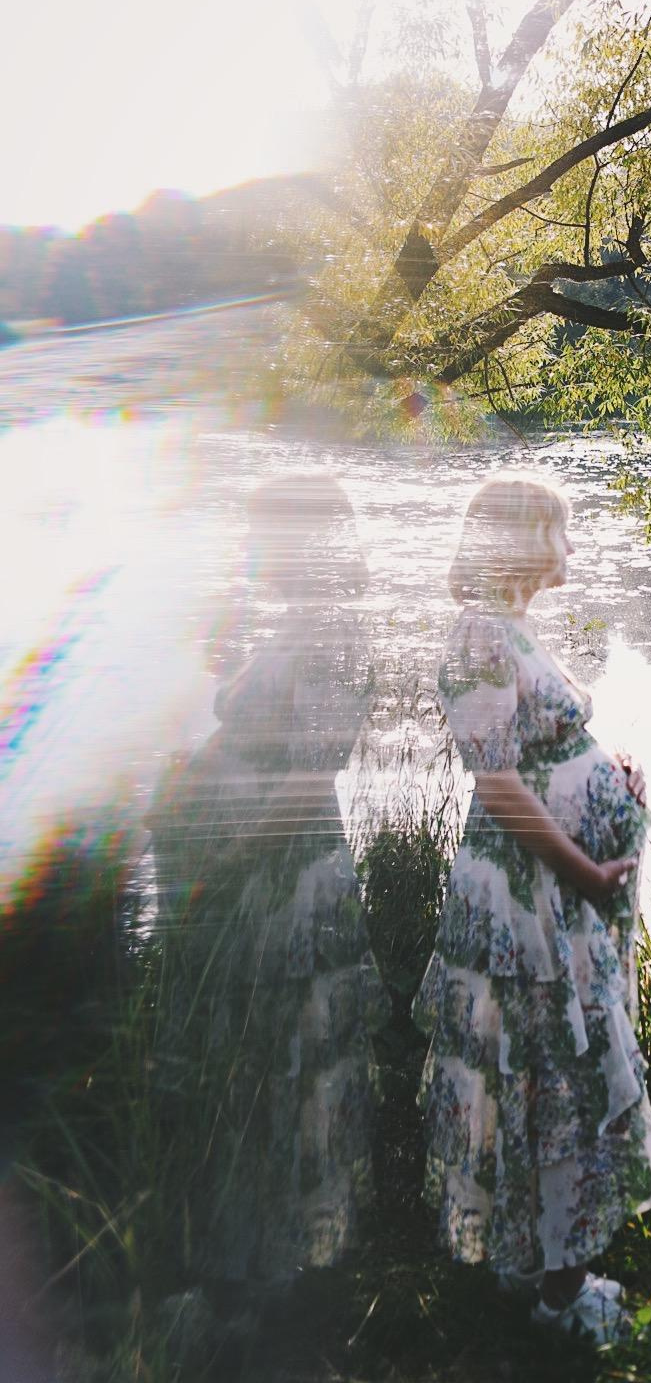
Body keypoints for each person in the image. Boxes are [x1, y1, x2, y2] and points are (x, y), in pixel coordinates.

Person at [413, 474, 651, 1344]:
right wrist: (587, 875)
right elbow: (497, 786)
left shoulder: (511, 629)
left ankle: (537, 1267)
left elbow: (545, 742)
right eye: (561, 532)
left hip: (552, 893)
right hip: (526, 901)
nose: (573, 549)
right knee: (556, 1072)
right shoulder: (482, 635)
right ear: (521, 538)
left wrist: (614, 761)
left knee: (548, 1073)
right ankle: (553, 1297)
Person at [147, 474, 388, 1302]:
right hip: (252, 880)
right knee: (251, 1065)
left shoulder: (337, 633)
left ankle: (277, 1275)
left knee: (283, 1065)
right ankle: (243, 1257)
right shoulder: (300, 626)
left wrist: (222, 864)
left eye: (264, 536)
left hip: (279, 885)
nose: (252, 551)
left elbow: (303, 782)